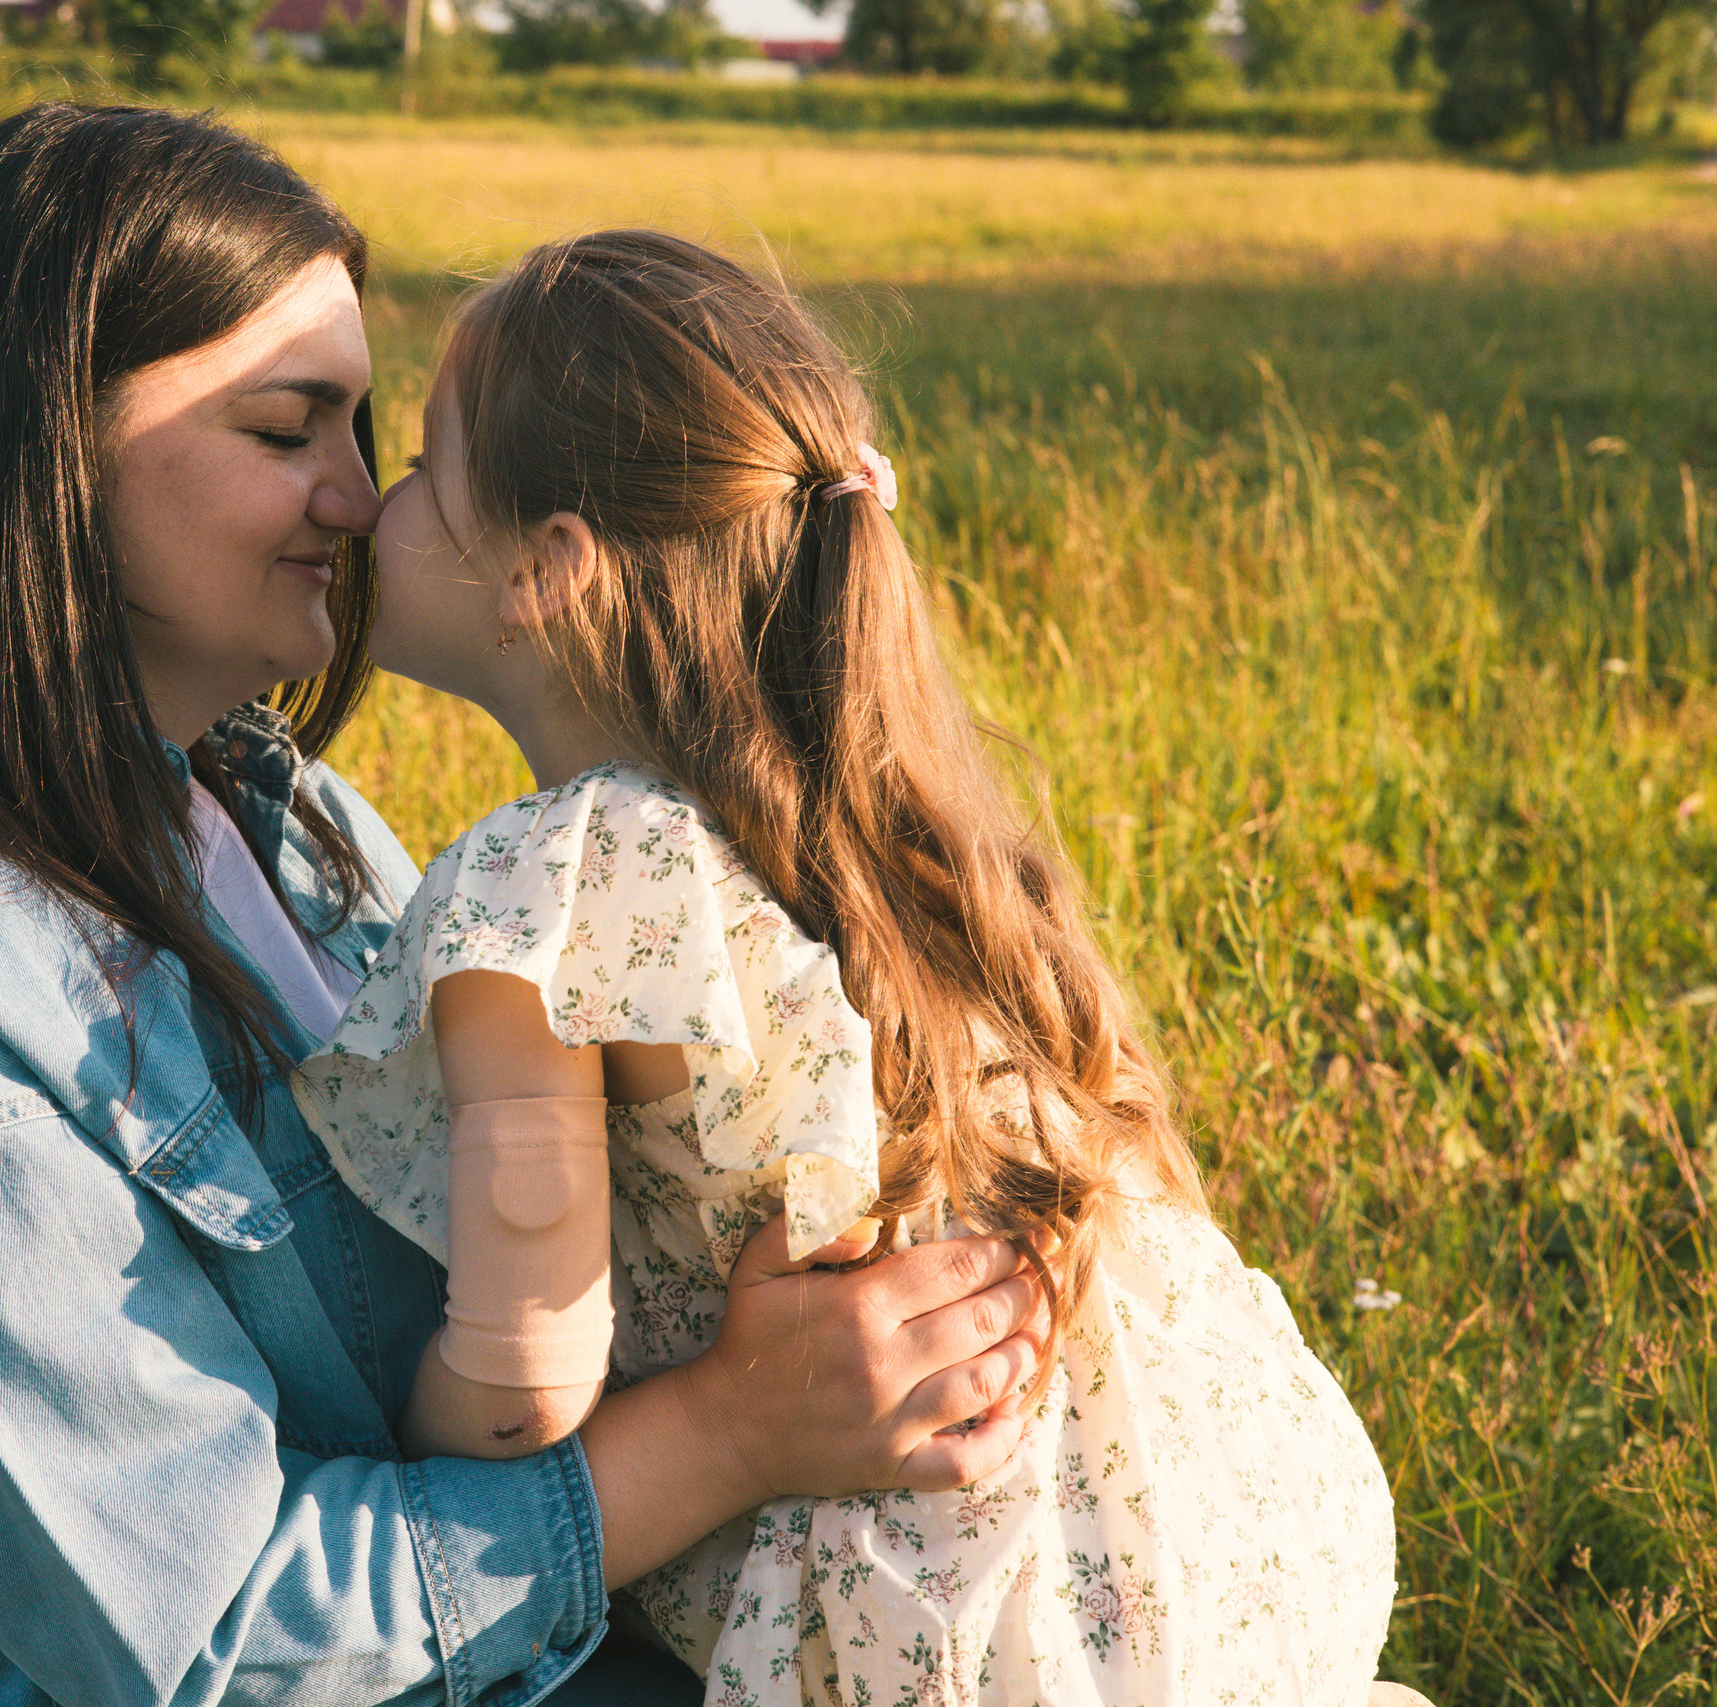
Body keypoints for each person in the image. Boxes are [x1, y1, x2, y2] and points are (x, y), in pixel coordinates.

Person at [0, 106, 1051, 1707]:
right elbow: (217, 1644)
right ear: (43, 452)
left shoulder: (292, 826)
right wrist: (741, 1429)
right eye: (287, 431)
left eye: (367, 432)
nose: (360, 499)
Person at [292, 230, 1401, 1705]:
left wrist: (382, 1448)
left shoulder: (545, 883)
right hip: (1232, 1531)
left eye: (423, 465)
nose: (380, 501)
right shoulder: (897, 831)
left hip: (954, 1619)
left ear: (545, 573)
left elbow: (522, 1381)